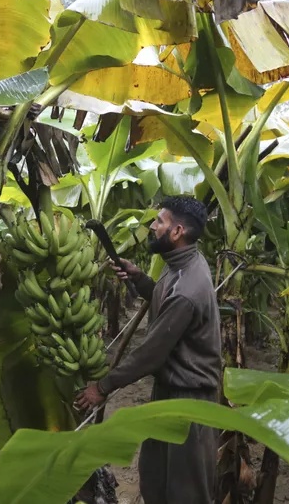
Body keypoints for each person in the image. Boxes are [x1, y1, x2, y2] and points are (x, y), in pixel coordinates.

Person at [75, 196, 222, 504]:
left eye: (160, 221)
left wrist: (103, 387)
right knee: (155, 477)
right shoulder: (182, 262)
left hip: (190, 400)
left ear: (178, 231)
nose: (153, 226)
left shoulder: (187, 289)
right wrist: (140, 279)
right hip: (170, 390)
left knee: (186, 492)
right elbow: (162, 296)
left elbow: (151, 353)